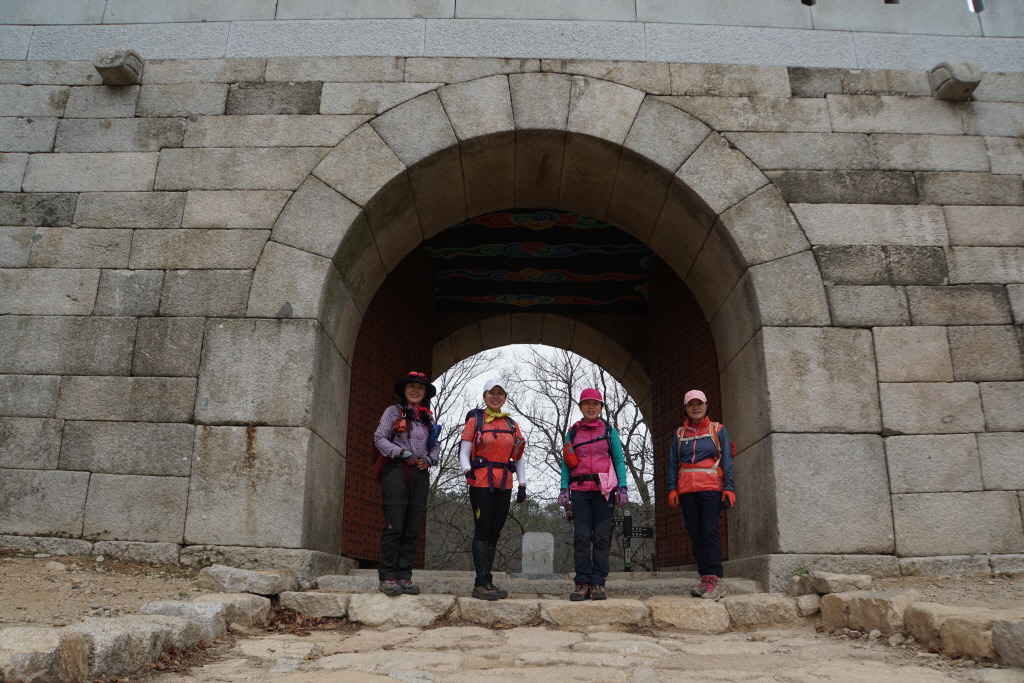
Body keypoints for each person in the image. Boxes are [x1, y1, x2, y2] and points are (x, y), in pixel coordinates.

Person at [373, 371, 441, 596]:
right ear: (404, 390)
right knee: (395, 524)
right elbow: (379, 438)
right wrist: (401, 453)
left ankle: (404, 575)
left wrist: (429, 459)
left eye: (420, 388)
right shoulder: (393, 412)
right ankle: (387, 576)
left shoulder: (427, 418)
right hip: (396, 471)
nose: (415, 390)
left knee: (412, 528)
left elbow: (435, 445)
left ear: (424, 393)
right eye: (412, 386)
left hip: (420, 474)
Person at [459, 378, 528, 600]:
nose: (495, 397)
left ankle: (487, 581)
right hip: (481, 481)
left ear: (505, 397)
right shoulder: (476, 421)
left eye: (500, 393)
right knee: (483, 529)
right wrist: (467, 471)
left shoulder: (512, 424)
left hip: (504, 482)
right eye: (491, 393)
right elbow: (464, 451)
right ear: (484, 396)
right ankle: (481, 583)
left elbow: (518, 456)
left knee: (495, 531)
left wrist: (522, 484)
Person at [558, 388, 628, 601]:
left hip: (603, 491)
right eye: (587, 403)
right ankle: (582, 582)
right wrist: (564, 488)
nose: (591, 407)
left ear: (601, 407)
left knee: (601, 538)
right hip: (580, 492)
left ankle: (598, 583)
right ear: (580, 407)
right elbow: (566, 462)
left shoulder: (609, 431)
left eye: (595, 403)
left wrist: (623, 487)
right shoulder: (572, 433)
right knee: (581, 537)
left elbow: (618, 460)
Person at [667, 389, 736, 601]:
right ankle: (705, 577)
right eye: (691, 404)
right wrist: (672, 488)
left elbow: (727, 460)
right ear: (686, 408)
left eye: (699, 403)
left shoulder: (718, 430)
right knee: (696, 534)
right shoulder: (680, 434)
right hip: (687, 489)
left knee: (709, 531)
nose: (695, 407)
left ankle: (716, 578)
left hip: (710, 487)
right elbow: (673, 463)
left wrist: (729, 487)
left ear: (706, 405)